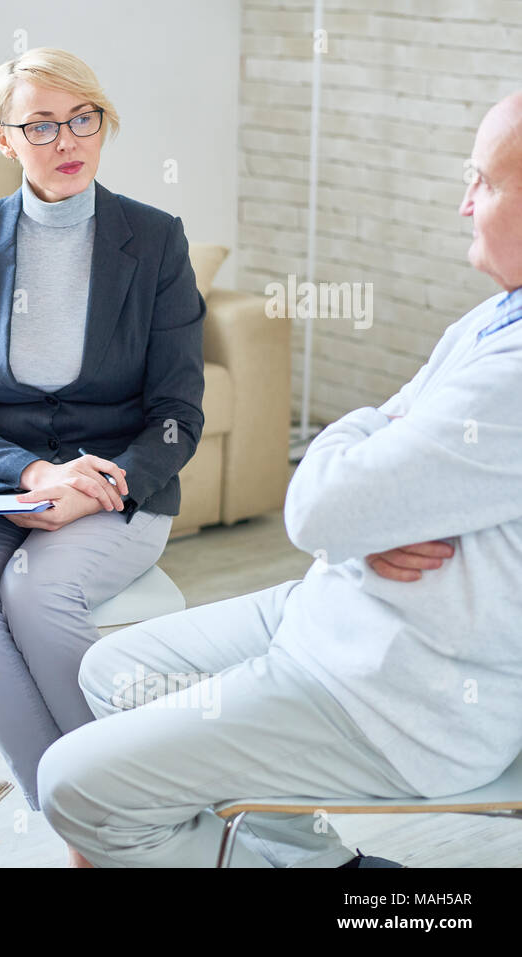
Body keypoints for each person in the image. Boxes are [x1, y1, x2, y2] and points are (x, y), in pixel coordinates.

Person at [37, 92, 522, 868]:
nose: (464, 204)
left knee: (71, 785)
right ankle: (317, 864)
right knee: (114, 670)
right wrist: (368, 519)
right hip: (340, 608)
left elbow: (319, 506)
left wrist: (364, 494)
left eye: (485, 184)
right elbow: (350, 502)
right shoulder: (494, 317)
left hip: (402, 695)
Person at [0, 47, 205, 808]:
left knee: (36, 594)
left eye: (83, 119)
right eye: (40, 126)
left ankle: (116, 801)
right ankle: (89, 815)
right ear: (3, 139)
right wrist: (36, 476)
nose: (68, 141)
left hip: (115, 488)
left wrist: (101, 485)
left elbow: (177, 417)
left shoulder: (156, 240)